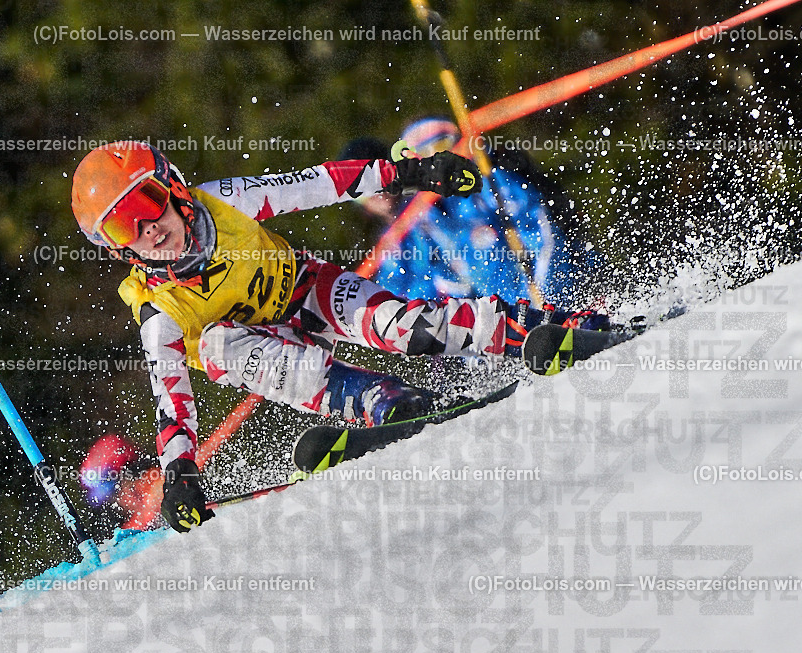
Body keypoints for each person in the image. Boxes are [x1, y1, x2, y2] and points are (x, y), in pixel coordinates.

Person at [69, 140, 605, 532]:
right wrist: (180, 473)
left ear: (173, 187)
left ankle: (544, 329)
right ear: (116, 248)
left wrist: (415, 171)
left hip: (306, 291)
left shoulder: (225, 201)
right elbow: (171, 398)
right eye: (123, 227)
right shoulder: (158, 310)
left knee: (405, 326)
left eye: (147, 205)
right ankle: (386, 403)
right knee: (217, 346)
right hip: (258, 351)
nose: (147, 229)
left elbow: (322, 182)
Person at [346, 118, 595, 304]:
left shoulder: (491, 184)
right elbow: (435, 284)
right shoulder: (422, 223)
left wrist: (545, 300)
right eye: (422, 157)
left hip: (562, 296)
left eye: (442, 147)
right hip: (512, 322)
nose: (435, 161)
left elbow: (544, 237)